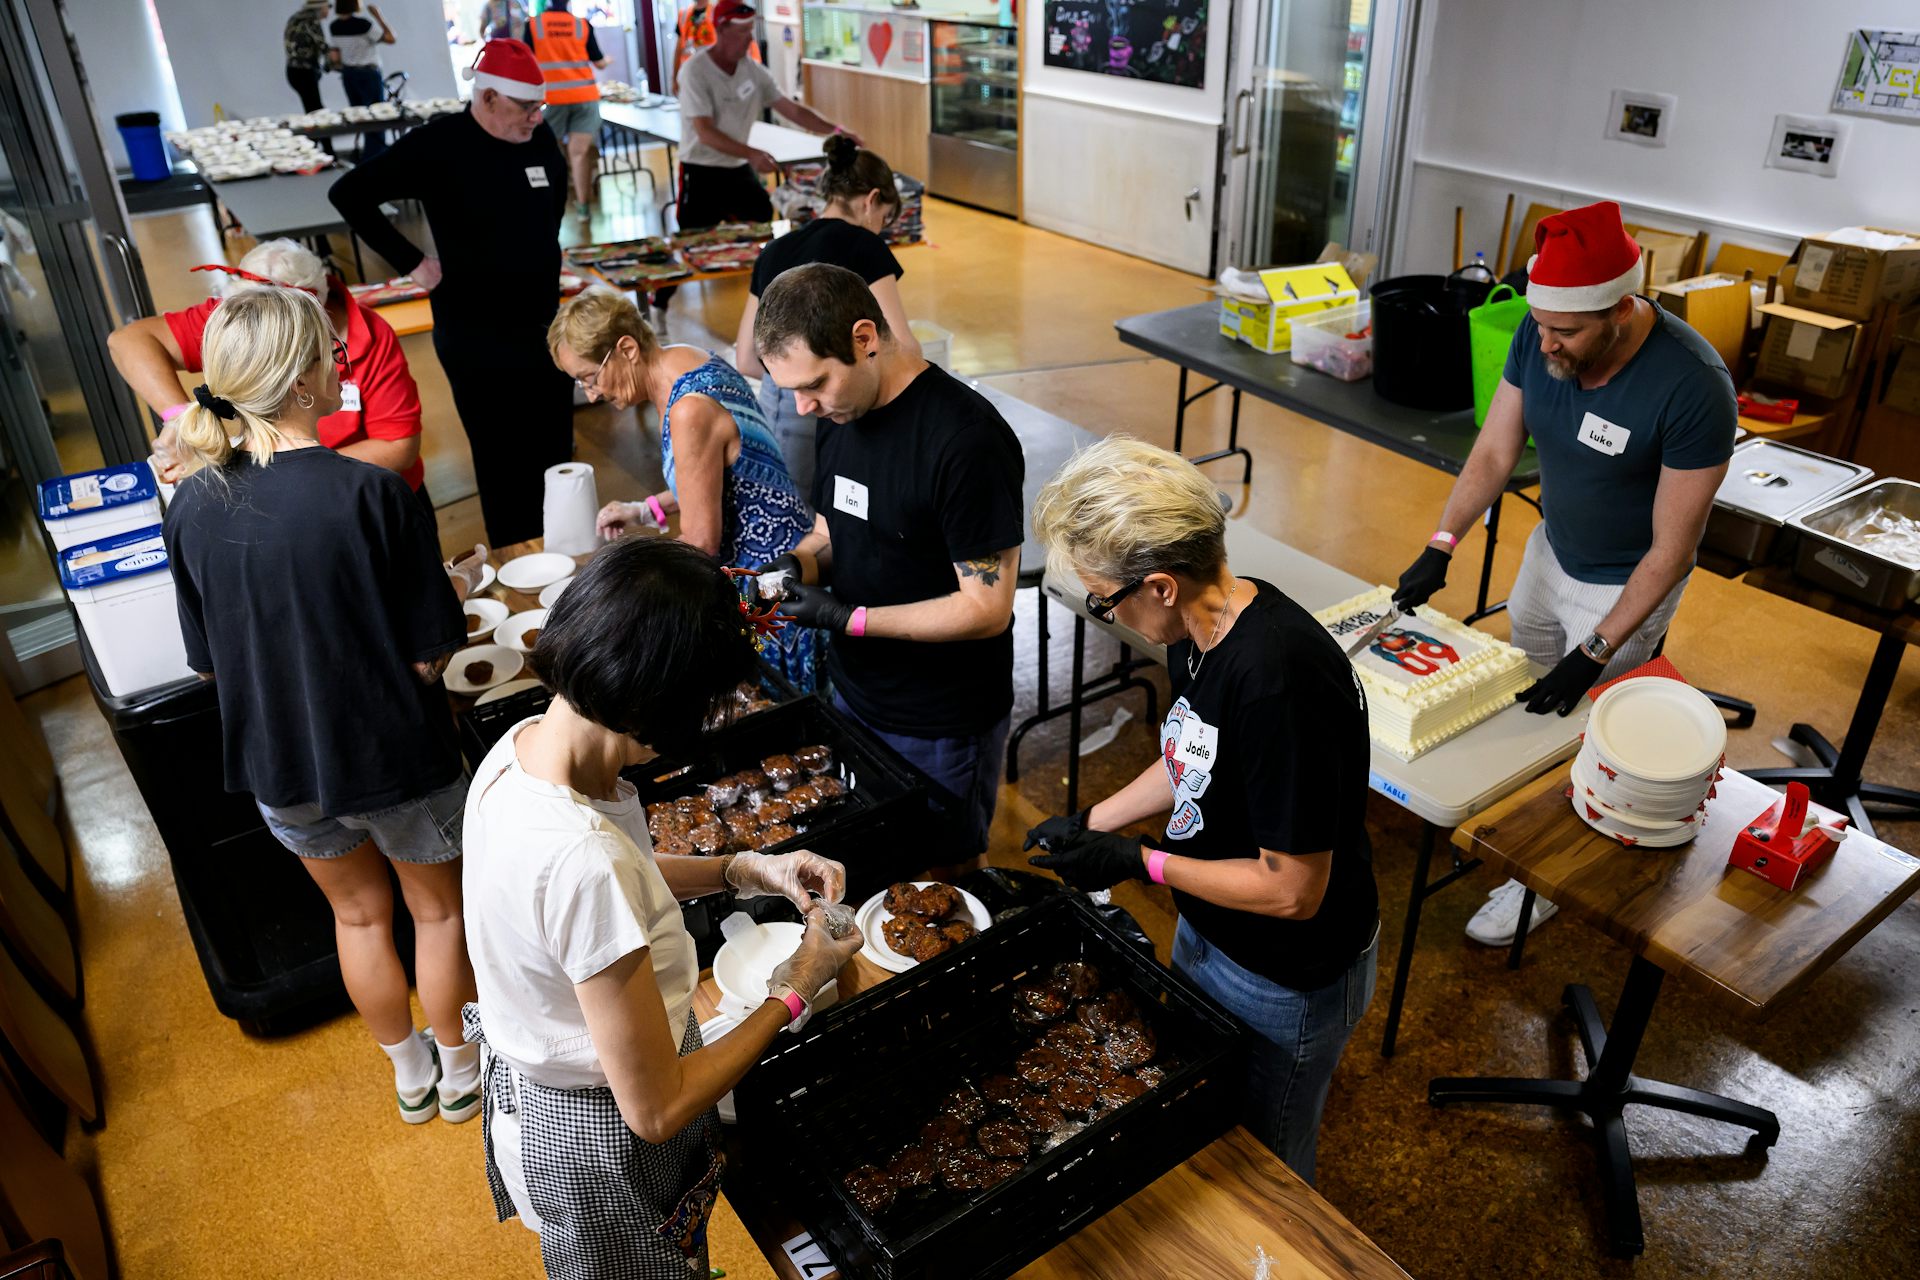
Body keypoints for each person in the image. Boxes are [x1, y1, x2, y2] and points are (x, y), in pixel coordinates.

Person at [461, 535, 860, 1276]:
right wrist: (799, 986)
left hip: (541, 1088)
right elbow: (656, 1109)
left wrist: (745, 868)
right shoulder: (579, 858)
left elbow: (622, 885)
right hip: (604, 1137)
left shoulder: (523, 748)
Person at [161, 286, 491, 1127]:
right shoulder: (373, 493)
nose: (340, 364)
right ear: (302, 383)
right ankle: (461, 1069)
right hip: (394, 757)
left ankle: (409, 1075)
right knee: (439, 910)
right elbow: (429, 653)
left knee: (356, 915)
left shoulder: (193, 504)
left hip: (279, 764)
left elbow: (208, 667)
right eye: (327, 354)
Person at [1023, 436, 1379, 1184]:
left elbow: (1292, 889)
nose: (1103, 614)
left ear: (1158, 585)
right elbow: (1193, 754)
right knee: (1208, 1118)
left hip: (1285, 973)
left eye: (1104, 599)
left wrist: (1140, 862)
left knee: (1267, 1165)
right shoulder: (1198, 629)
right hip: (1210, 929)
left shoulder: (1279, 680)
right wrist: (1099, 823)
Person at [1390, 200, 1735, 947]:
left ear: (1619, 310)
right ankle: (1509, 820)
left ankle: (1538, 879)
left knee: (1587, 735)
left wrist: (1600, 650)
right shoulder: (1538, 330)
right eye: (1541, 324)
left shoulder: (1693, 385)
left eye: (1566, 331)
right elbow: (1492, 453)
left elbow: (1671, 550)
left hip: (1626, 586)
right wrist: (1441, 543)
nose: (1546, 342)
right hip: (1552, 551)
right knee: (1527, 700)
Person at [754, 263, 1022, 863]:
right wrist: (796, 565)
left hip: (937, 722)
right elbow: (833, 528)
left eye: (815, 383)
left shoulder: (965, 442)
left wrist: (849, 618)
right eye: (791, 389)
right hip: (853, 695)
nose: (802, 407)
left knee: (938, 879)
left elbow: (986, 607)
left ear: (864, 339)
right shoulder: (839, 413)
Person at [330, 38, 572, 548]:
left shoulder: (539, 138)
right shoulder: (439, 144)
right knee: (503, 458)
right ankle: (519, 560)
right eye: (525, 107)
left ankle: (567, 553)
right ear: (487, 99)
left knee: (554, 449)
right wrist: (413, 264)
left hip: (544, 328)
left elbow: (552, 207)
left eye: (540, 106)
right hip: (476, 336)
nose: (535, 117)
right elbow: (349, 194)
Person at [547, 287, 820, 691]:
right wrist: (645, 509)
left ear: (627, 348)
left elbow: (700, 545)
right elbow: (720, 478)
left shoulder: (688, 409)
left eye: (590, 377)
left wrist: (623, 587)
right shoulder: (688, 359)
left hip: (768, 588)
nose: (591, 394)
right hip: (792, 562)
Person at [106, 237, 432, 522]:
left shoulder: (369, 337)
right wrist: (177, 419)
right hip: (283, 498)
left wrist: (285, 470)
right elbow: (128, 342)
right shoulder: (242, 318)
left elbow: (397, 447)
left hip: (364, 496)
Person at [735, 134, 920, 496]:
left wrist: (795, 383)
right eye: (885, 217)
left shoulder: (776, 249)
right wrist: (829, 386)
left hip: (777, 412)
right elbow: (902, 348)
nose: (881, 227)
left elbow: (746, 357)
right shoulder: (863, 245)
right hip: (840, 408)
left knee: (793, 522)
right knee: (836, 527)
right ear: (872, 201)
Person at [656, 0, 851, 334]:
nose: (748, 39)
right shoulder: (696, 70)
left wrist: (836, 131)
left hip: (736, 168)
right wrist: (751, 153)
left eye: (750, 31)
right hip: (700, 169)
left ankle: (770, 297)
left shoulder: (753, 71)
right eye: (741, 32)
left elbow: (792, 109)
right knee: (690, 242)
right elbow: (703, 131)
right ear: (719, 31)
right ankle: (659, 307)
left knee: (764, 221)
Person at [525, 0, 611, 220]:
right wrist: (609, 59)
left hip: (551, 100)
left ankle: (550, 205)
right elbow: (599, 62)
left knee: (548, 154)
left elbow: (527, 61)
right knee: (579, 154)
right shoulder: (582, 25)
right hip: (584, 97)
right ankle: (583, 207)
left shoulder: (534, 26)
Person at [329, 0, 396, 161]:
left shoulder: (334, 26)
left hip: (349, 75)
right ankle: (375, 158)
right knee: (376, 117)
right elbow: (390, 38)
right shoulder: (364, 24)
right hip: (368, 74)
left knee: (360, 117)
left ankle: (368, 157)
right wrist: (378, 16)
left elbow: (335, 55)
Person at [670, 0, 759, 94]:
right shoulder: (684, 15)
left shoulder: (719, 12)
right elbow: (679, 50)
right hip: (691, 77)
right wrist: (674, 79)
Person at [285, 0, 332, 115]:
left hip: (292, 70)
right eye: (328, 6)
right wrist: (331, 64)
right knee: (316, 112)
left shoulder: (295, 17)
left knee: (312, 107)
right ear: (320, 7)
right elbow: (322, 45)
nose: (329, 11)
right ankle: (322, 133)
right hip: (305, 72)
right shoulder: (311, 20)